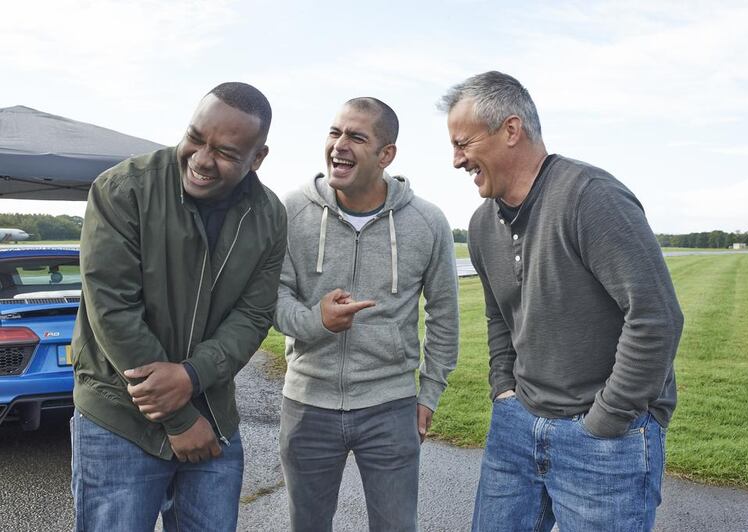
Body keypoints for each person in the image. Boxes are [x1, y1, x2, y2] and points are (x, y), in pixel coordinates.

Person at [439, 71, 684, 532]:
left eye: (463, 143)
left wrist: (606, 418)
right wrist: (503, 389)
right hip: (517, 424)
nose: (456, 160)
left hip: (603, 439)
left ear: (510, 130)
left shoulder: (590, 197)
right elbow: (500, 316)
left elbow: (656, 318)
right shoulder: (480, 225)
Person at [71, 82, 287, 532]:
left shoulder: (268, 214)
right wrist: (178, 417)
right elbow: (113, 311)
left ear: (258, 158)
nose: (202, 159)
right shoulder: (122, 190)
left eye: (226, 152)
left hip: (213, 420)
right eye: (195, 137)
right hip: (119, 420)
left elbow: (252, 316)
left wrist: (190, 378)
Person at [274, 97, 459, 532]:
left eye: (357, 137)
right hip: (307, 404)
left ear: (386, 154)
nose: (340, 145)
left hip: (390, 406)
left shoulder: (427, 222)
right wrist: (316, 322)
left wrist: (428, 394)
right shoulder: (292, 211)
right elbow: (272, 299)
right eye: (335, 132)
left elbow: (445, 315)